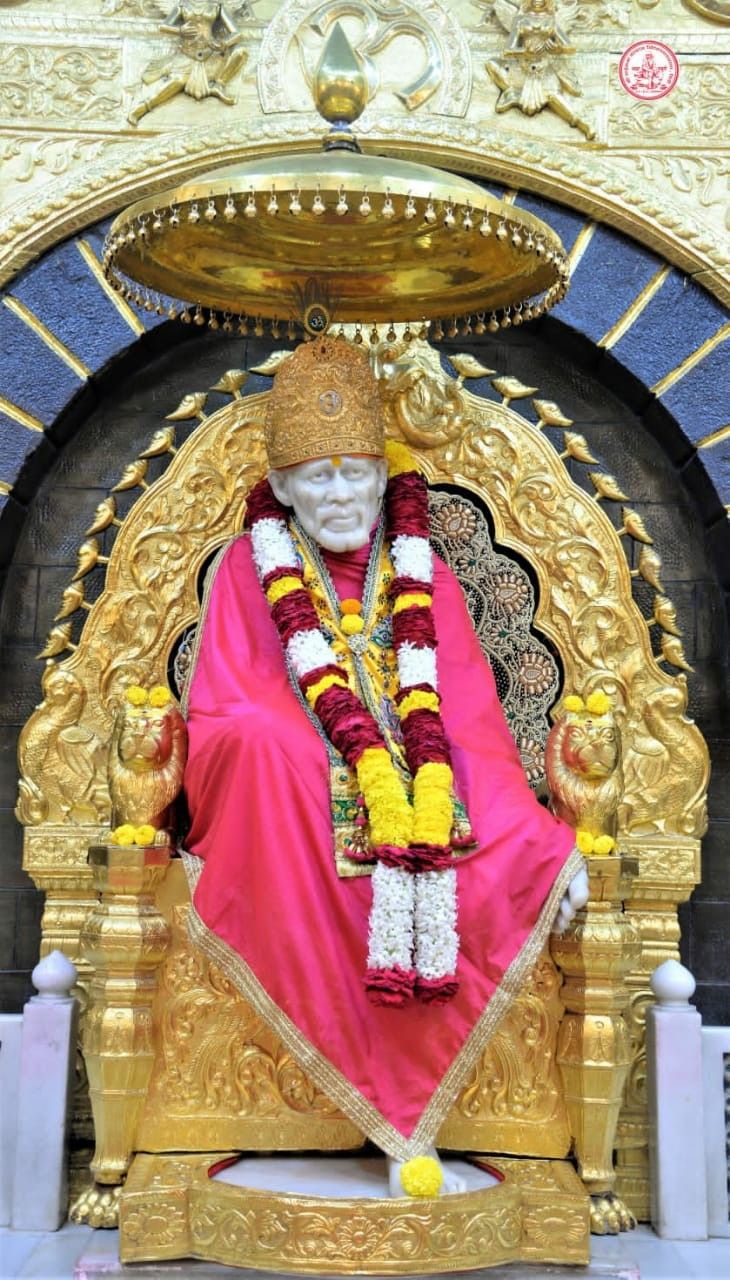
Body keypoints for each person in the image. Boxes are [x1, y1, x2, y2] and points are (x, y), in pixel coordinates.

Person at [182, 335, 587, 1196]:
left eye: (354, 473)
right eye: (318, 476)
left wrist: (547, 838)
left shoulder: (425, 571)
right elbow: (225, 709)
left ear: (384, 477)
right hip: (299, 789)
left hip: (433, 782)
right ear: (284, 489)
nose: (338, 493)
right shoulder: (247, 574)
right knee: (264, 744)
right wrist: (311, 749)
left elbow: (472, 717)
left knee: (512, 834)